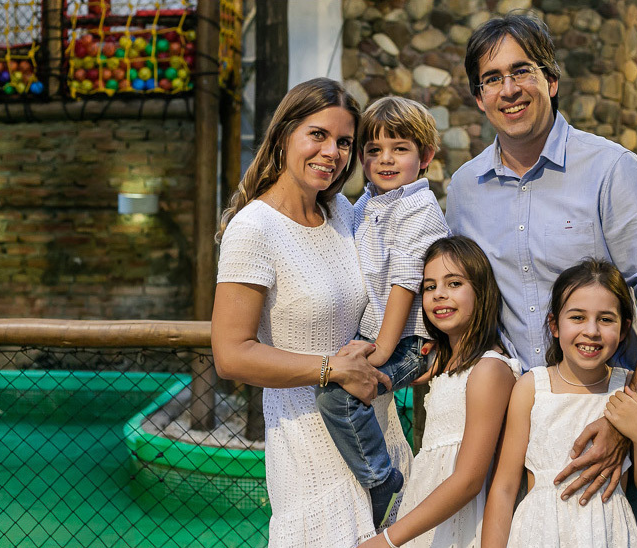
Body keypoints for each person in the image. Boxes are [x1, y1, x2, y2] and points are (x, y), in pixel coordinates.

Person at [446, 13, 637, 544]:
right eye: (492, 79)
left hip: (602, 445)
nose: (509, 90)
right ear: (478, 97)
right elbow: (461, 299)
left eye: (523, 72)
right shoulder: (464, 189)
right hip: (516, 447)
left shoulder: (612, 170)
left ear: (551, 80)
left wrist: (623, 424)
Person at [212, 77, 400, 547]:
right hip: (307, 442)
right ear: (283, 137)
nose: (331, 152)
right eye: (317, 135)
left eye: (343, 142)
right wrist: (332, 369)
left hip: (375, 430)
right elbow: (231, 356)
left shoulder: (344, 214)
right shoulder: (253, 229)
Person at [315, 95, 449, 529]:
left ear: (424, 156)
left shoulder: (418, 209)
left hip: (412, 341)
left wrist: (382, 348)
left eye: (400, 148)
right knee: (341, 390)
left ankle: (382, 482)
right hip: (380, 333)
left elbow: (406, 282)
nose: (385, 159)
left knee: (339, 394)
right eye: (374, 150)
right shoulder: (368, 203)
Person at [483, 259, 637, 547]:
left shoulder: (629, 391)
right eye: (578, 317)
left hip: (610, 535)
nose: (592, 331)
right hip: (540, 534)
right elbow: (505, 488)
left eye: (606, 319)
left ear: (624, 331)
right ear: (554, 325)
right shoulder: (532, 388)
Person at [361, 236, 519, 548]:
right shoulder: (446, 366)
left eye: (454, 283)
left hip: (461, 527)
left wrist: (389, 540)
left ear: (482, 291)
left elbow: (469, 480)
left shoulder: (489, 370)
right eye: (430, 287)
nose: (439, 295)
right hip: (429, 521)